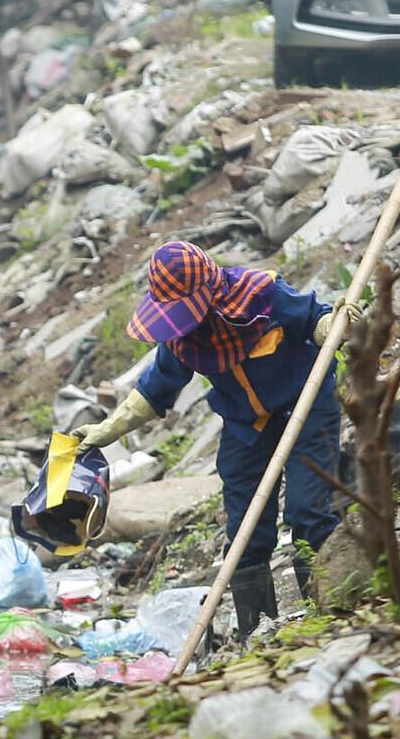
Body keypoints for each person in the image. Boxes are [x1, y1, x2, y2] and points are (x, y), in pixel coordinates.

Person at [74, 240, 355, 639]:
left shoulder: (262, 293)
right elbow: (155, 390)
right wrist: (106, 430)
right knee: (245, 533)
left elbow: (314, 317)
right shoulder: (181, 337)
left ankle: (329, 615)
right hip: (246, 425)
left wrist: (333, 326)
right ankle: (257, 633)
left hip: (306, 406)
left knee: (308, 511)